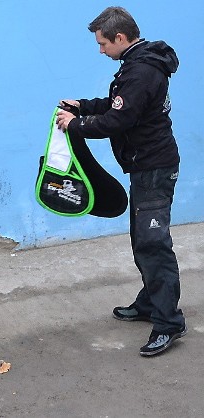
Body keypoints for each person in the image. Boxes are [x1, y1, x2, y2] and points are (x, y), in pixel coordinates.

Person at [56, 6, 186, 356]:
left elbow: (118, 120)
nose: (100, 51)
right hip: (147, 166)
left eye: (102, 44)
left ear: (121, 38)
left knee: (153, 245)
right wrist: (82, 105)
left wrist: (75, 124)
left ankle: (169, 323)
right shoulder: (136, 63)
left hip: (154, 169)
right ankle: (149, 304)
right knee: (143, 240)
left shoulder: (141, 71)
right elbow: (117, 105)